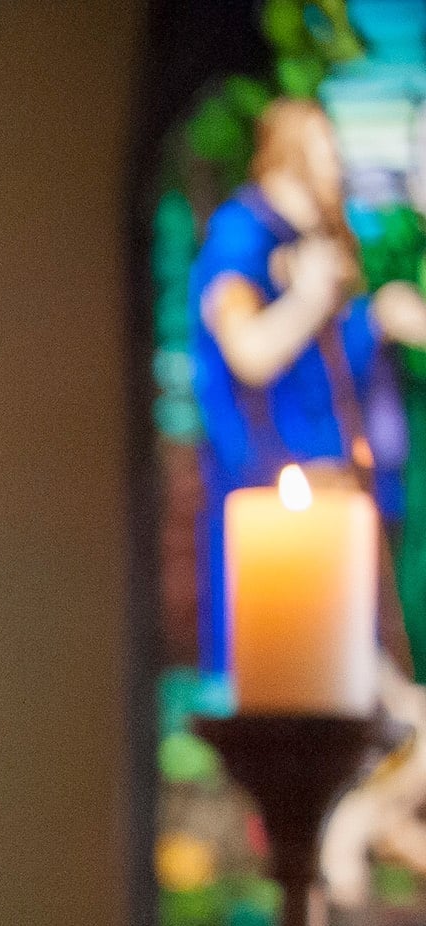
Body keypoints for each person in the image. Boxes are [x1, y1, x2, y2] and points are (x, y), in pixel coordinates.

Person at [191, 96, 426, 673]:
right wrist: (310, 298)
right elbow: (249, 352)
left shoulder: (313, 240)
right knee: (282, 663)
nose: (338, 167)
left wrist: (376, 319)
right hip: (271, 488)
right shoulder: (243, 234)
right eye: (327, 150)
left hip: (337, 487)